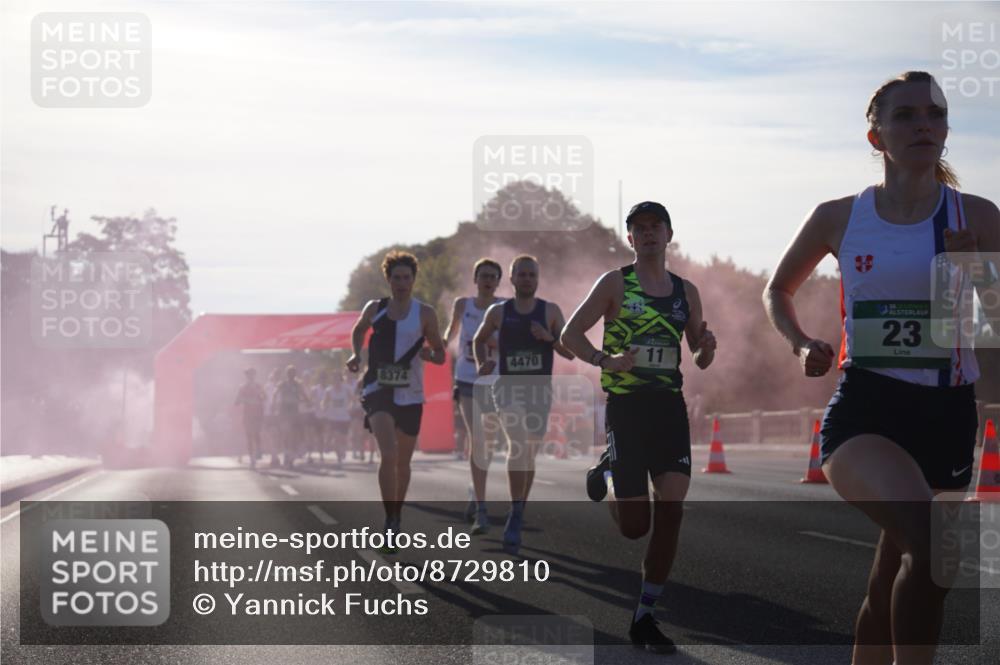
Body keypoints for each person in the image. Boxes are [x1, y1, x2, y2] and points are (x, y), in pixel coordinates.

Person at [762, 71, 999, 665]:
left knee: (895, 573)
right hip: (867, 411)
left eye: (935, 115)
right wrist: (800, 343)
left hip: (947, 413)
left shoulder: (976, 215)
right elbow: (777, 290)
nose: (924, 125)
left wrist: (979, 271)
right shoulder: (839, 217)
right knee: (934, 548)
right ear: (876, 137)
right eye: (906, 115)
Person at [561, 200, 717, 654]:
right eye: (640, 228)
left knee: (671, 509)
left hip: (669, 409)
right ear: (630, 238)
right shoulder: (615, 283)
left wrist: (707, 346)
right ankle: (610, 471)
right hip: (626, 409)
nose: (648, 233)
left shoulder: (686, 292)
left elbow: (699, 355)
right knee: (634, 526)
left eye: (655, 226)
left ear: (669, 234)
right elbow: (570, 335)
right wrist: (603, 359)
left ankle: (645, 615)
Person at [473, 254, 574, 554]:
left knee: (528, 454)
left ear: (537, 279)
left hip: (539, 391)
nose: (527, 279)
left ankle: (518, 510)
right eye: (522, 274)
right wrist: (482, 363)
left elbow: (570, 351)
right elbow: (479, 340)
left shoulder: (550, 311)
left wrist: (549, 338)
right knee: (517, 444)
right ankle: (515, 514)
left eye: (532, 274)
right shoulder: (498, 311)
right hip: (508, 388)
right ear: (512, 278)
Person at [347, 250, 446, 546]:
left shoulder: (425, 313)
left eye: (406, 277)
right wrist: (356, 354)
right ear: (388, 280)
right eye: (396, 278)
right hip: (378, 389)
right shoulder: (375, 308)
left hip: (411, 393)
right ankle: (389, 519)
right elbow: (358, 330)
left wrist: (430, 355)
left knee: (402, 462)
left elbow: (440, 354)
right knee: (388, 454)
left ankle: (397, 514)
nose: (402, 283)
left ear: (414, 280)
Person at [442, 258, 504, 534]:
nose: (488, 280)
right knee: (477, 437)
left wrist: (495, 342)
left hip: (495, 380)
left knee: (487, 443)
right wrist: (439, 344)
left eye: (493, 276)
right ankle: (481, 509)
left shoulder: (504, 307)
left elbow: (513, 340)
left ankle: (474, 488)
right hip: (467, 378)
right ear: (475, 279)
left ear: (499, 281)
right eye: (484, 276)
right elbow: (451, 332)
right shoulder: (462, 305)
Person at [274, 365, 311, 469]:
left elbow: (303, 394)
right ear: (287, 374)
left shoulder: (298, 384)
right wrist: (273, 403)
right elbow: (275, 393)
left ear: (295, 374)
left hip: (294, 411)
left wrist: (308, 401)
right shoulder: (282, 384)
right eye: (289, 373)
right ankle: (286, 454)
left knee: (294, 433)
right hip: (284, 411)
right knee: (286, 433)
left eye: (293, 373)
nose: (291, 375)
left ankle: (291, 454)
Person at [233, 368, 266, 469]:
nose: (250, 376)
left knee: (256, 434)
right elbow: (236, 402)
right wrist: (244, 400)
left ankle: (258, 450)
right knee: (249, 436)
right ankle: (252, 459)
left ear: (254, 375)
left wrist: (259, 398)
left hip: (257, 414)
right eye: (248, 375)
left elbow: (265, 397)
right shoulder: (242, 387)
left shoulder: (259, 386)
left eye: (252, 374)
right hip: (247, 414)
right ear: (246, 376)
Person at [322, 369, 353, 465]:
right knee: (336, 437)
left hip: (344, 418)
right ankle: (339, 456)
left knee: (343, 438)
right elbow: (324, 402)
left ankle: (342, 450)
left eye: (338, 378)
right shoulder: (329, 390)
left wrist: (350, 407)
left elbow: (353, 399)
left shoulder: (346, 389)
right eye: (334, 379)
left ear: (341, 379)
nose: (336, 381)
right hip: (333, 418)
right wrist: (324, 407)